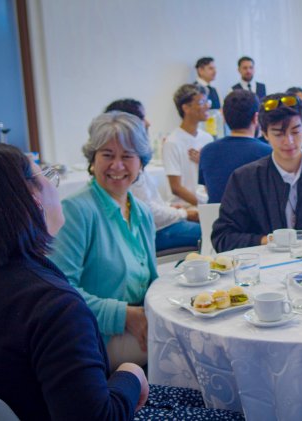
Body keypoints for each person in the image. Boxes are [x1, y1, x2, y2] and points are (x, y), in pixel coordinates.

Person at [0, 143, 244, 421]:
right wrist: (130, 374)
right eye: (46, 175)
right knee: (230, 412)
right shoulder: (53, 305)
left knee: (199, 396)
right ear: (34, 201)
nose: (117, 165)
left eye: (127, 156)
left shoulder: (2, 278)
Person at [50, 112, 158, 368]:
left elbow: (151, 279)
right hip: (95, 334)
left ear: (141, 163)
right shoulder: (76, 210)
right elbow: (59, 291)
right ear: (93, 160)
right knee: (184, 349)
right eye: (107, 155)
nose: (117, 166)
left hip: (139, 318)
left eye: (127, 156)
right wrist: (124, 315)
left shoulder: (141, 211)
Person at [212, 93, 302, 251]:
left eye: (295, 132)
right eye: (278, 134)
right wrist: (268, 240)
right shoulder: (245, 178)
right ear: (264, 133)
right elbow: (223, 237)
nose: (288, 141)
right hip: (266, 262)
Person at [105, 99, 201, 252]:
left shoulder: (134, 158)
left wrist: (169, 208)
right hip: (155, 231)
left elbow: (146, 204)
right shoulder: (130, 165)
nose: (148, 123)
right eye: (143, 118)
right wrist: (184, 213)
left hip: (155, 226)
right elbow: (147, 212)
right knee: (211, 230)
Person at [199, 90, 272, 204]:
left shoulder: (207, 151)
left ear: (223, 117)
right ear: (256, 118)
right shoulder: (268, 152)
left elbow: (210, 192)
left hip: (217, 214)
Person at [163, 84, 213, 206]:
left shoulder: (207, 138)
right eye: (201, 102)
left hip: (205, 203)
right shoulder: (172, 142)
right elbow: (176, 187)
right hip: (184, 207)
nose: (207, 106)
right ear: (186, 108)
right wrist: (203, 206)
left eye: (207, 102)